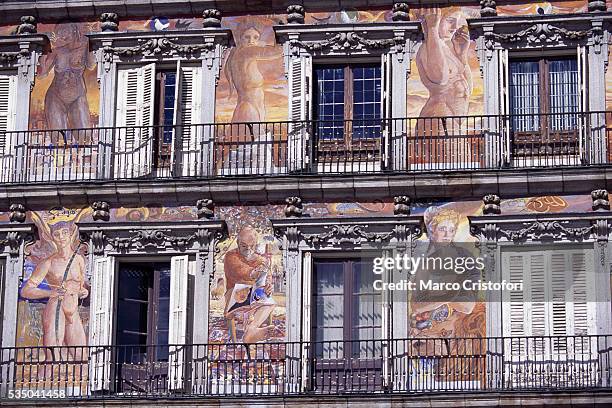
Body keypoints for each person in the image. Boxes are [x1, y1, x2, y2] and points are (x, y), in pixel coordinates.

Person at [20, 221, 88, 361]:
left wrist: (83, 291)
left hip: (72, 308)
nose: (61, 237)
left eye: (65, 233)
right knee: (53, 357)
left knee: (81, 357)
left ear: (71, 235)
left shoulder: (79, 260)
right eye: (56, 234)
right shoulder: (48, 263)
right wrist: (51, 293)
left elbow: (81, 285)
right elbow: (26, 290)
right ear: (52, 237)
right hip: (56, 308)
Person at [414, 7, 473, 166]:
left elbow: (467, 86)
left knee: (462, 167)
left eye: (457, 21)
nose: (454, 27)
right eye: (450, 21)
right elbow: (439, 78)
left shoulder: (447, 47)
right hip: (438, 120)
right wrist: (432, 29)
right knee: (454, 171)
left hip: (450, 121)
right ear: (436, 19)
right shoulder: (428, 47)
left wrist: (462, 55)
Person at [37, 22, 95, 141]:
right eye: (59, 32)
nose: (61, 35)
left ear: (74, 30)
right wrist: (44, 50)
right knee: (57, 139)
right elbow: (41, 74)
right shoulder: (56, 51)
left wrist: (90, 43)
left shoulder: (85, 46)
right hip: (55, 97)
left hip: (77, 95)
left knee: (85, 138)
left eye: (64, 30)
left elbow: (92, 65)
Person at [223, 227, 277, 343]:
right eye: (244, 246)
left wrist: (268, 286)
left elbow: (268, 276)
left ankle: (251, 331)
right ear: (237, 243)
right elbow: (238, 270)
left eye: (251, 246)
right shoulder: (230, 256)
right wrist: (253, 273)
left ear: (255, 244)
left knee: (269, 303)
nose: (248, 249)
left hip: (255, 292)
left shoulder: (260, 259)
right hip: (235, 292)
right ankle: (249, 332)